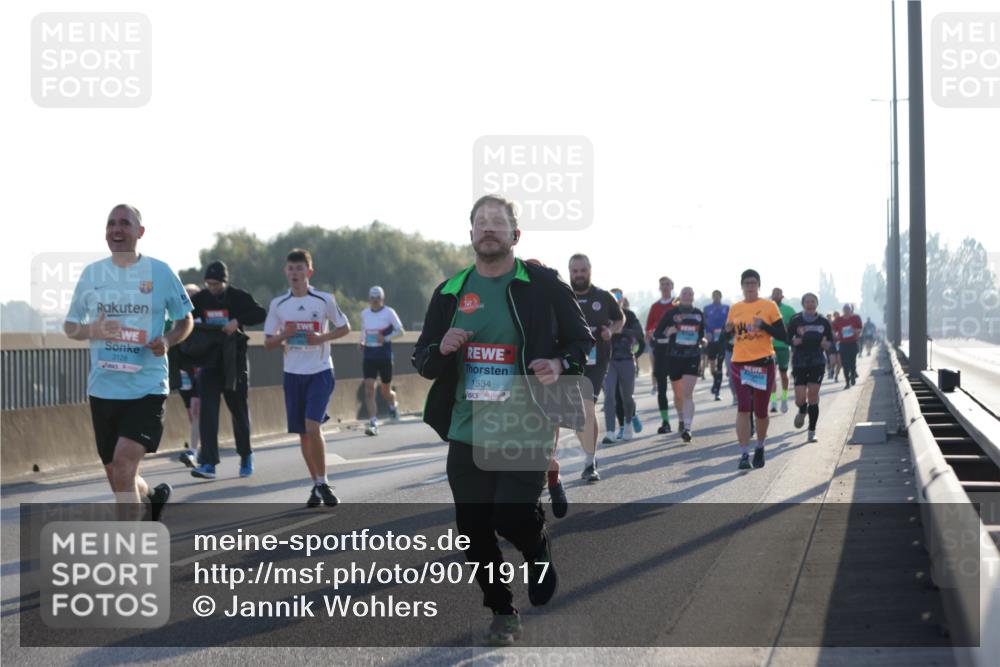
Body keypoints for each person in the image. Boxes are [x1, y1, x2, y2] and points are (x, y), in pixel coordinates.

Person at [412, 195, 591, 645]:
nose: (489, 228)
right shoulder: (451, 291)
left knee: (512, 516)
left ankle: (537, 549)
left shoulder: (543, 283)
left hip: (527, 423)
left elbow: (580, 339)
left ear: (516, 234)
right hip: (468, 428)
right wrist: (442, 348)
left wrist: (559, 362)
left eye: (498, 222)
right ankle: (502, 611)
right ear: (470, 234)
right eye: (481, 223)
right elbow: (423, 360)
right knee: (473, 531)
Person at [63, 203, 193, 520]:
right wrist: (92, 329)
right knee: (120, 477)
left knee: (122, 467)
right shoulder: (92, 274)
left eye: (124, 223)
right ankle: (153, 497)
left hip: (146, 388)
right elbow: (70, 326)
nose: (116, 229)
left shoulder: (160, 272)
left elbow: (185, 319)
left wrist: (166, 339)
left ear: (140, 232)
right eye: (111, 224)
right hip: (103, 390)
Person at [263, 248, 351, 508]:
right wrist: (284, 335)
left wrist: (321, 338)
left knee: (313, 426)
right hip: (293, 374)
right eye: (291, 269)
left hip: (320, 370)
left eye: (300, 269)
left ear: (309, 272)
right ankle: (316, 483)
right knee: (303, 434)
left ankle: (323, 482)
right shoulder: (278, 304)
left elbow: (344, 327)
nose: (295, 273)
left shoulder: (323, 300)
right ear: (286, 272)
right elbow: (268, 343)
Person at [188, 261, 267, 479]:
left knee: (239, 411)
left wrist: (237, 320)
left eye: (216, 284)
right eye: (209, 283)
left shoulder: (237, 296)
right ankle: (208, 463)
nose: (212, 288)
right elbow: (183, 314)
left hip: (235, 362)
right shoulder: (200, 299)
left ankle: (245, 454)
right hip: (210, 362)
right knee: (208, 414)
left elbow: (260, 313)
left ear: (224, 282)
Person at [725, 269, 787, 470]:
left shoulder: (769, 306)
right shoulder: (735, 308)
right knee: (743, 407)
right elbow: (727, 336)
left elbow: (783, 335)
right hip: (740, 363)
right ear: (741, 286)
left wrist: (765, 326)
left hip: (763, 364)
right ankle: (744, 453)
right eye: (746, 283)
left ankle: (759, 446)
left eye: (753, 283)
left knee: (760, 411)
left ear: (759, 285)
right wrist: (726, 333)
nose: (750, 287)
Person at [569, 254, 624, 482]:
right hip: (571, 360)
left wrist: (611, 331)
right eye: (575, 271)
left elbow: (619, 320)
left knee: (588, 407)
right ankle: (589, 454)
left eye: (583, 270)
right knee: (577, 415)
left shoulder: (603, 296)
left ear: (590, 270)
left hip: (596, 361)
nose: (579, 275)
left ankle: (589, 462)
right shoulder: (564, 296)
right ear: (570, 272)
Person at [654, 286, 705, 443]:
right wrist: (668, 331)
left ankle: (687, 428)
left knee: (687, 393)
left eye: (690, 293)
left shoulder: (698, 314)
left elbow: (701, 334)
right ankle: (681, 419)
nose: (688, 296)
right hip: (674, 356)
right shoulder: (671, 313)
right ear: (680, 296)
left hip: (692, 356)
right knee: (678, 395)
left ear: (693, 297)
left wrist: (703, 340)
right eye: (685, 293)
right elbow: (657, 333)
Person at [359, 285, 404, 436]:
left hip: (384, 356)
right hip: (369, 356)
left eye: (378, 298)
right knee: (369, 389)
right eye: (372, 298)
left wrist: (384, 338)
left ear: (382, 299)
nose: (375, 301)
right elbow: (363, 331)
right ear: (369, 299)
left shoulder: (389, 312)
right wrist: (362, 342)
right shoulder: (364, 313)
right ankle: (373, 422)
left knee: (385, 391)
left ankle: (393, 404)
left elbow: (401, 331)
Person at [789, 293, 833, 442]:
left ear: (817, 303)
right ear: (803, 304)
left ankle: (811, 431)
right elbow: (788, 338)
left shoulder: (824, 322)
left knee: (813, 396)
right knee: (800, 399)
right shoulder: (796, 320)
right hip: (800, 362)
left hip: (817, 362)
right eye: (807, 301)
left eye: (812, 301)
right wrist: (794, 341)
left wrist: (827, 346)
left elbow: (830, 341)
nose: (810, 304)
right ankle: (802, 410)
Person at [602, 288, 643, 443]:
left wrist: (619, 330)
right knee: (609, 396)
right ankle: (610, 432)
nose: (615, 298)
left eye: (618, 296)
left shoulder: (629, 315)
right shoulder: (603, 315)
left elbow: (639, 333)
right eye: (612, 296)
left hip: (626, 359)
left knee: (627, 397)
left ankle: (627, 424)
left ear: (622, 299)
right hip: (608, 361)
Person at [175, 283, 203, 468]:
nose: (190, 299)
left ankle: (194, 451)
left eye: (194, 295)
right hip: (184, 371)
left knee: (196, 408)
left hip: (201, 370)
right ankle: (199, 445)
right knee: (191, 411)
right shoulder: (179, 319)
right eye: (187, 295)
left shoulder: (202, 319)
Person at [645, 277, 676, 433]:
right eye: (662, 285)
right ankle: (665, 422)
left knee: (678, 389)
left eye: (667, 284)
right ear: (659, 287)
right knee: (662, 388)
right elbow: (648, 327)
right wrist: (650, 334)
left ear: (672, 286)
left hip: (677, 351)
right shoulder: (655, 306)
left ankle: (683, 421)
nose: (665, 287)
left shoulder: (677, 304)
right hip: (660, 349)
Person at [769, 287, 797, 414]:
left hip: (783, 347)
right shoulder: (766, 308)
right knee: (771, 376)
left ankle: (784, 399)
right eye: (774, 293)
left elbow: (796, 325)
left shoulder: (789, 310)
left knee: (784, 375)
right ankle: (773, 402)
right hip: (769, 347)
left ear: (782, 296)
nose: (775, 295)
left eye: (778, 294)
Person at [702, 290, 730, 401]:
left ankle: (717, 390)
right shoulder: (707, 308)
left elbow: (730, 322)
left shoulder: (726, 308)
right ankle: (715, 380)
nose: (716, 298)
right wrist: (705, 333)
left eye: (718, 296)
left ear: (721, 297)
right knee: (712, 367)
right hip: (711, 340)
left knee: (719, 366)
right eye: (714, 296)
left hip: (722, 340)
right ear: (712, 297)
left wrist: (727, 332)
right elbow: (703, 323)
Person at [833, 303, 863, 388]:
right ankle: (847, 382)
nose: (846, 311)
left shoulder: (856, 318)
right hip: (843, 344)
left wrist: (856, 331)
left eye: (848, 309)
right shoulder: (839, 320)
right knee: (845, 364)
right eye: (845, 310)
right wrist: (835, 335)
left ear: (851, 310)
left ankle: (853, 374)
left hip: (853, 343)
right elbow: (833, 329)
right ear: (843, 310)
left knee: (852, 362)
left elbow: (860, 328)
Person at [827, 311, 842, 381]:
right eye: (835, 315)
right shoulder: (831, 324)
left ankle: (836, 376)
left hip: (841, 344)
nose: (836, 316)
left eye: (838, 315)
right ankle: (832, 369)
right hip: (832, 344)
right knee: (833, 362)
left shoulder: (843, 323)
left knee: (839, 362)